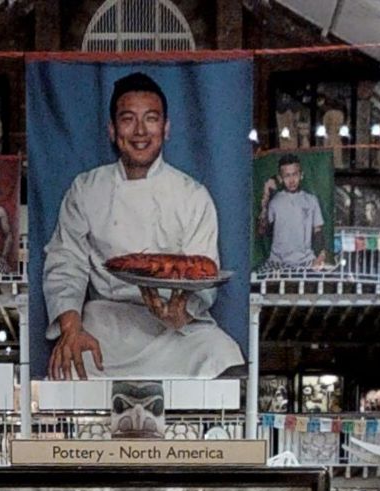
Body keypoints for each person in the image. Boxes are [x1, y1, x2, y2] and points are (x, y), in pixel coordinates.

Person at [40, 72, 244, 379]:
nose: (140, 131)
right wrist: (70, 329)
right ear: (112, 129)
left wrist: (182, 311)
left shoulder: (192, 195)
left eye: (151, 119)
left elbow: (203, 269)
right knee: (70, 364)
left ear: (166, 128)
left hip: (173, 329)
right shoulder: (86, 189)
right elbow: (65, 262)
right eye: (128, 119)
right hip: (107, 322)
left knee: (223, 355)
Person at [258, 153, 324, 269]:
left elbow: (318, 231)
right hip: (277, 263)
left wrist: (320, 256)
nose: (292, 180)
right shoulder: (274, 201)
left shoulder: (311, 200)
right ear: (280, 178)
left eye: (295, 174)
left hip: (305, 263)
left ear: (301, 175)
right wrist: (266, 196)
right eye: (287, 176)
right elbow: (263, 231)